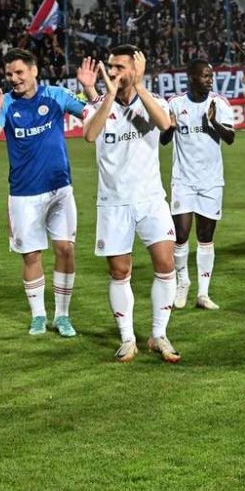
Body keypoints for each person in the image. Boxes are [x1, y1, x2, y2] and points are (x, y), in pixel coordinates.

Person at [0, 49, 97, 336]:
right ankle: (38, 316)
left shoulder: (56, 95)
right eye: (9, 74)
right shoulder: (6, 103)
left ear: (34, 70)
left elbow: (90, 115)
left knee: (66, 249)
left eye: (19, 72)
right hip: (24, 194)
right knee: (31, 255)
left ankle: (62, 316)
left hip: (60, 189)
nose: (14, 78)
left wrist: (89, 90)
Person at [82, 46, 181, 363]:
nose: (112, 72)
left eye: (119, 67)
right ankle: (127, 338)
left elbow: (165, 124)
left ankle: (159, 334)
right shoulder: (97, 105)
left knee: (165, 264)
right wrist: (108, 97)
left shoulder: (153, 102)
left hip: (151, 199)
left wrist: (138, 85)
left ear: (135, 69)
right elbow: (89, 135)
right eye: (110, 66)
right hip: (113, 202)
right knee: (119, 271)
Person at [161, 59, 235, 311]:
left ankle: (203, 293)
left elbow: (231, 138)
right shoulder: (174, 104)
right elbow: (164, 140)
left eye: (211, 76)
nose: (209, 80)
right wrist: (170, 127)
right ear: (191, 77)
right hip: (183, 180)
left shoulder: (219, 103)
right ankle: (183, 281)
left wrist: (213, 123)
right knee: (180, 235)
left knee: (205, 237)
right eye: (205, 76)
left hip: (211, 181)